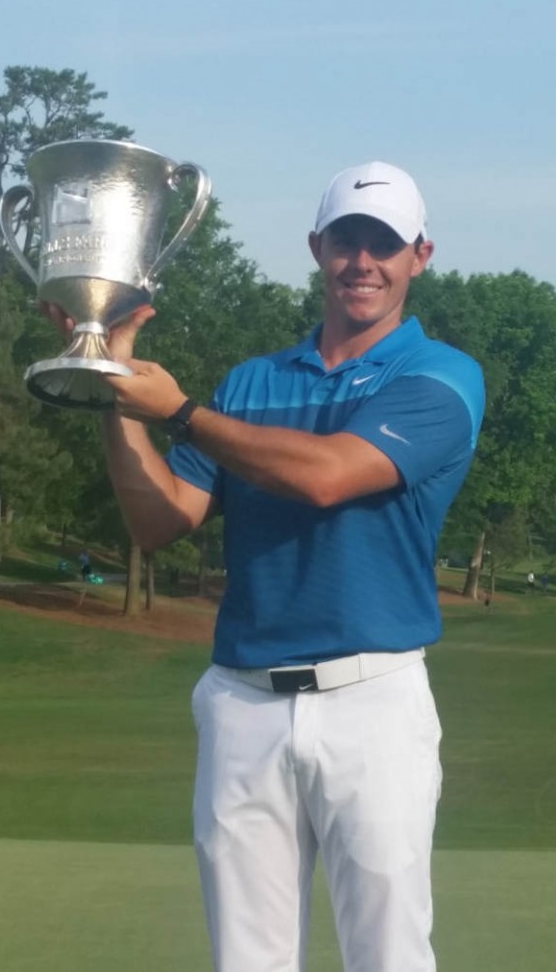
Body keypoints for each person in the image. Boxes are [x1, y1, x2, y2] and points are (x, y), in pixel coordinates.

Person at [47, 161, 485, 971]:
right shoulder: (251, 383)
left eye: (384, 245)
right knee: (247, 960)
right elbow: (158, 519)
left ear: (420, 256)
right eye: (347, 240)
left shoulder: (443, 376)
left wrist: (180, 410)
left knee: (387, 953)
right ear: (317, 248)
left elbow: (326, 476)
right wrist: (111, 383)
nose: (363, 262)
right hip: (243, 701)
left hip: (373, 698)